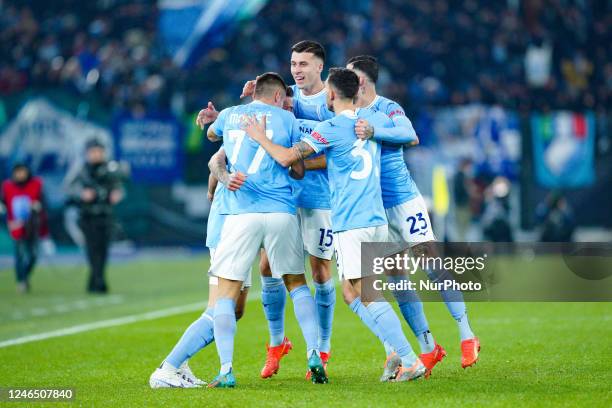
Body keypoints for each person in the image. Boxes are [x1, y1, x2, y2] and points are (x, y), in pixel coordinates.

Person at [244, 68, 426, 382]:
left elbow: (289, 157)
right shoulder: (371, 124)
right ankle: (400, 353)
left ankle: (409, 359)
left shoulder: (330, 128)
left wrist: (260, 138)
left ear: (331, 94)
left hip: (352, 221)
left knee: (365, 294)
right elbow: (407, 136)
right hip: (376, 218)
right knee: (353, 292)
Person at [205, 72, 328, 388]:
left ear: (254, 92)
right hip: (280, 212)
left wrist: (216, 120)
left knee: (227, 292)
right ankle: (314, 353)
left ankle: (225, 369)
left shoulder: (232, 114)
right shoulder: (288, 121)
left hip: (239, 214)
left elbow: (211, 135)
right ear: (278, 97)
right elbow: (298, 170)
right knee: (297, 283)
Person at [149, 148, 251, 388]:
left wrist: (213, 186)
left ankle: (179, 363)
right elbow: (215, 161)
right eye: (282, 105)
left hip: (240, 231)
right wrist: (221, 182)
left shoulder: (257, 132)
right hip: (229, 231)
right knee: (219, 307)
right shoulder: (249, 129)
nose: (286, 106)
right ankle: (169, 367)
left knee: (235, 310)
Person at [68, 139, 124, 293]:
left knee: (103, 249)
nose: (96, 155)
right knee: (92, 249)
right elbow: (68, 187)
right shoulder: (81, 169)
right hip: (88, 216)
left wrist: (116, 194)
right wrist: (81, 193)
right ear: (87, 153)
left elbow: (119, 187)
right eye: (93, 152)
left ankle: (95, 281)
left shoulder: (110, 169)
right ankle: (99, 281)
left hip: (105, 215)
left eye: (99, 151)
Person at [1, 163, 50, 293]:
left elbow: (44, 204)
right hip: (16, 226)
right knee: (20, 254)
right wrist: (6, 219)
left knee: (33, 254)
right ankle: (21, 280)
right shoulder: (7, 186)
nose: (20, 175)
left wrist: (37, 206)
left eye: (22, 171)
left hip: (32, 226)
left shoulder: (36, 184)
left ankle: (25, 275)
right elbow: (3, 204)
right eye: (18, 172)